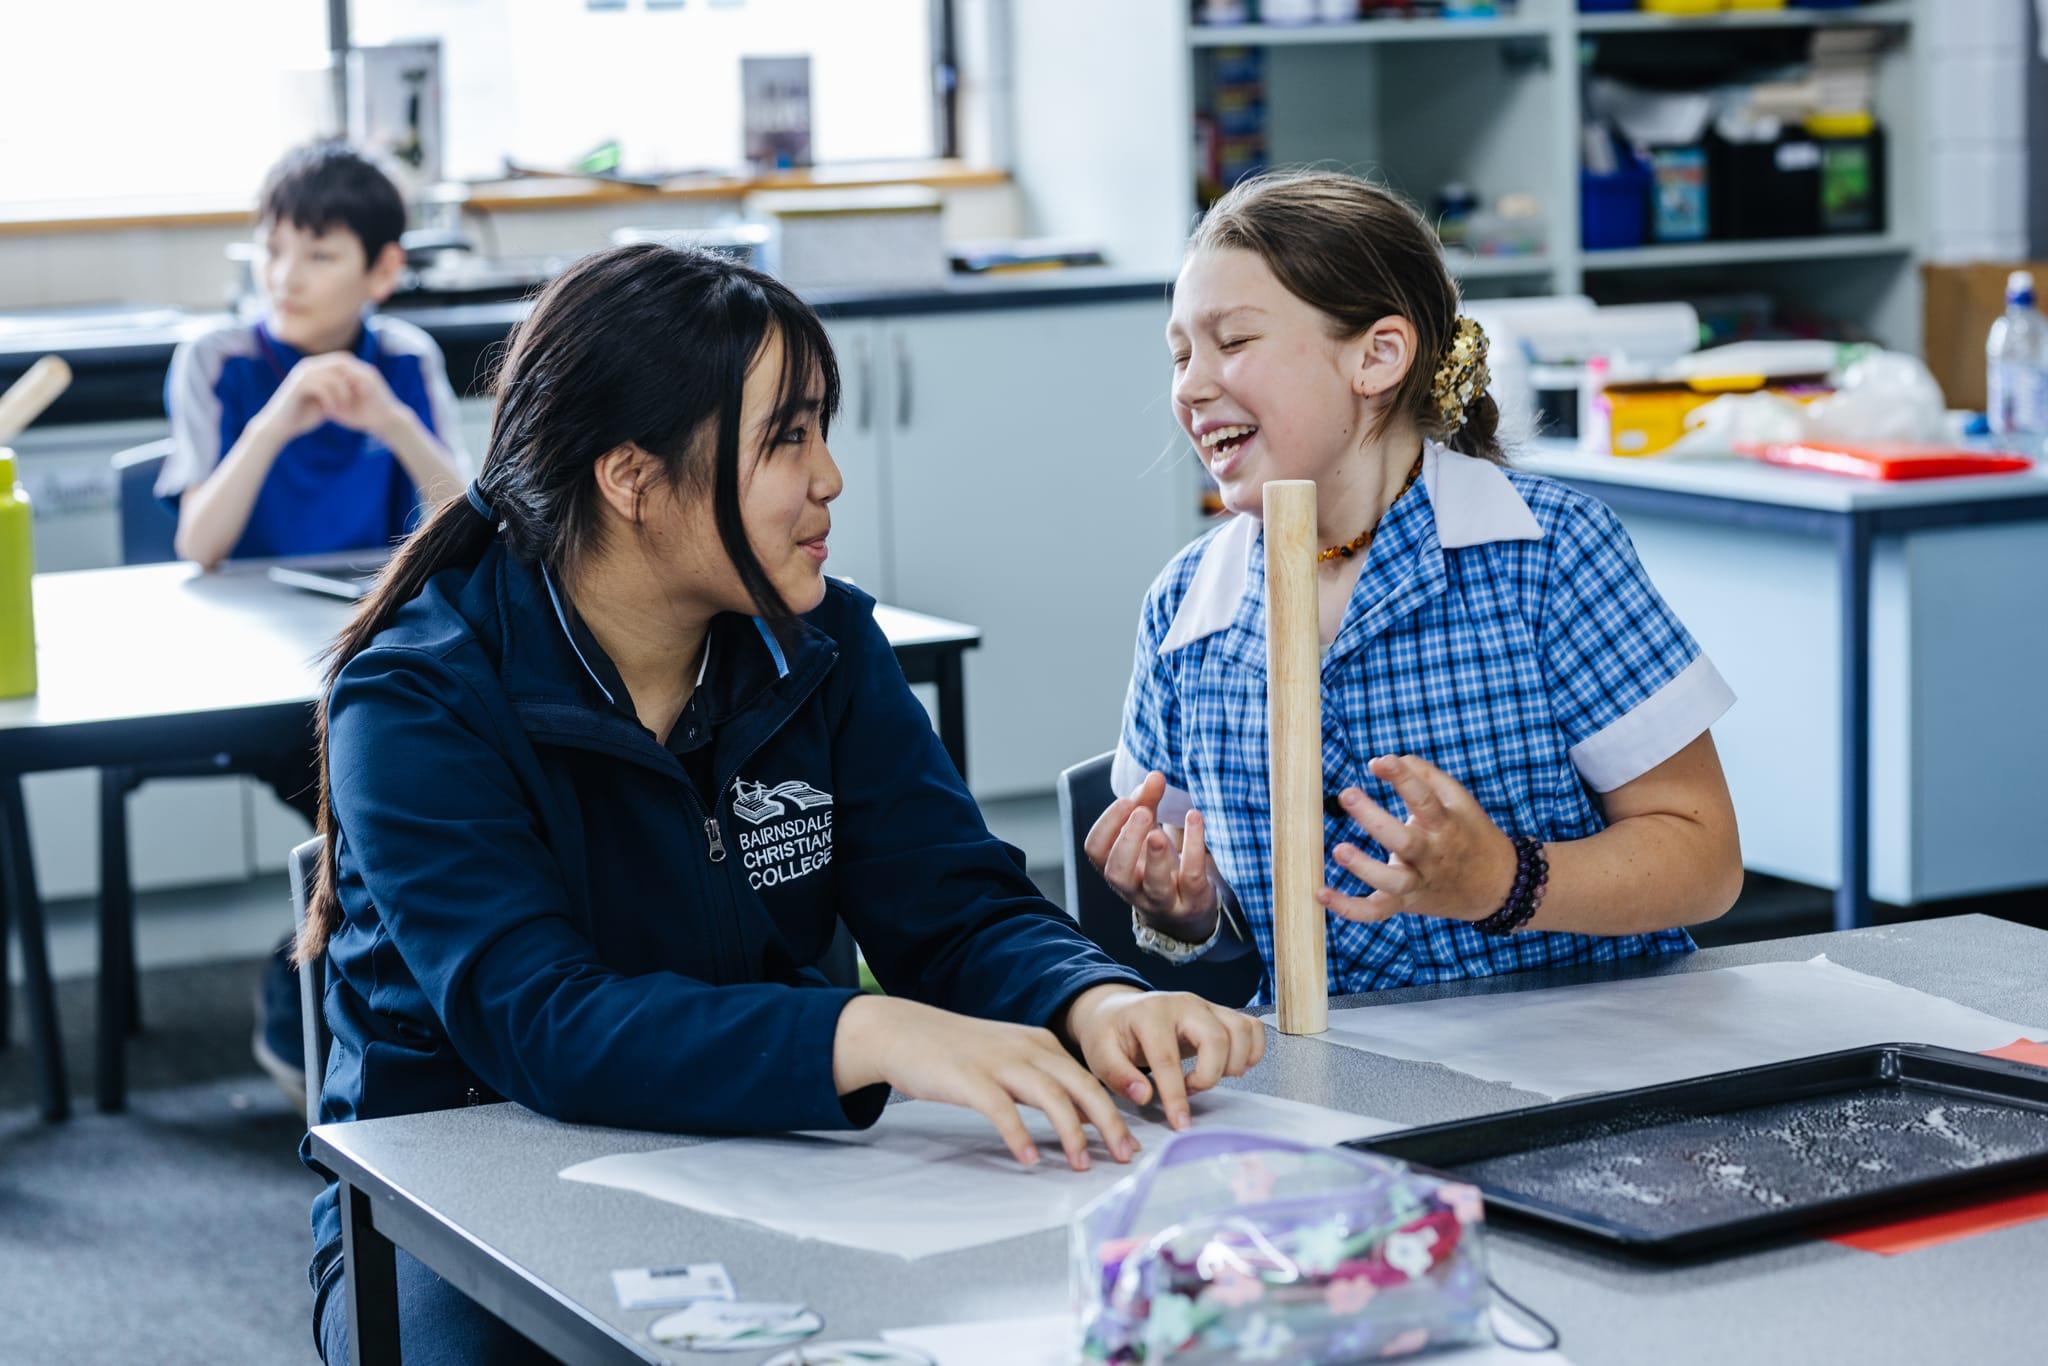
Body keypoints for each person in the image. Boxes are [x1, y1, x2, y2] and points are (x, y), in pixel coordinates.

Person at [299, 243, 1265, 1363]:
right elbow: (541, 1022)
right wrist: (870, 1028)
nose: (829, 478)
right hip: (455, 1203)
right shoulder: (418, 696)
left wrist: (1091, 999)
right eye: (784, 439)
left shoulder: (823, 645)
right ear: (631, 478)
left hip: (771, 1154)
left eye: (822, 432)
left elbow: (952, 906)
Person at [1090, 170, 1744, 999]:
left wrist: (1504, 880)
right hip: (1334, 1067)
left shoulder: (1546, 555)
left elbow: (1705, 859)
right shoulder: (1186, 610)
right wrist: (1183, 909)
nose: (1189, 385)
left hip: (1592, 1050)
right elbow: (1207, 912)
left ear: (1377, 356)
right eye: (1181, 354)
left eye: (1233, 342)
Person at [160, 140, 470, 1107]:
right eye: (273, 249)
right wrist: (274, 422)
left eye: (319, 254)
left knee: (419, 768)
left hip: (367, 651)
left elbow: (467, 530)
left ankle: (332, 990)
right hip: (246, 663)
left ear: (384, 270)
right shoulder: (218, 359)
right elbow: (199, 542)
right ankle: (311, 982)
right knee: (381, 810)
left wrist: (389, 420)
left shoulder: (406, 359)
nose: (286, 277)